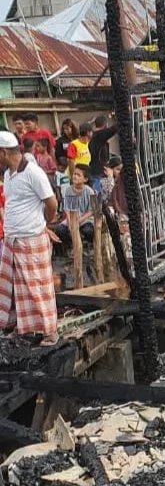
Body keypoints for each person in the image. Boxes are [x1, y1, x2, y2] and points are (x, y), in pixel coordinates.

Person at [0, 131, 59, 346]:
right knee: (16, 286)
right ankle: (23, 326)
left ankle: (50, 330)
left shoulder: (33, 172)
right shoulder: (8, 174)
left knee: (38, 287)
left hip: (31, 237)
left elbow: (52, 204)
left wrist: (42, 224)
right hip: (12, 238)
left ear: (3, 152)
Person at [55, 164, 96, 248]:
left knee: (88, 230)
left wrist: (79, 220)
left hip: (84, 219)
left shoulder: (90, 191)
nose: (75, 176)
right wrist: (70, 223)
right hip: (71, 218)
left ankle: (88, 247)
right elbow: (66, 209)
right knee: (60, 230)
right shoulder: (68, 190)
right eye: (74, 174)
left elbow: (92, 210)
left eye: (78, 175)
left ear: (85, 179)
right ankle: (69, 247)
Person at [87, 115, 117, 188]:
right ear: (106, 125)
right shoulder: (99, 135)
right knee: (102, 195)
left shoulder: (92, 136)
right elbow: (114, 129)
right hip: (99, 174)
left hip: (94, 171)